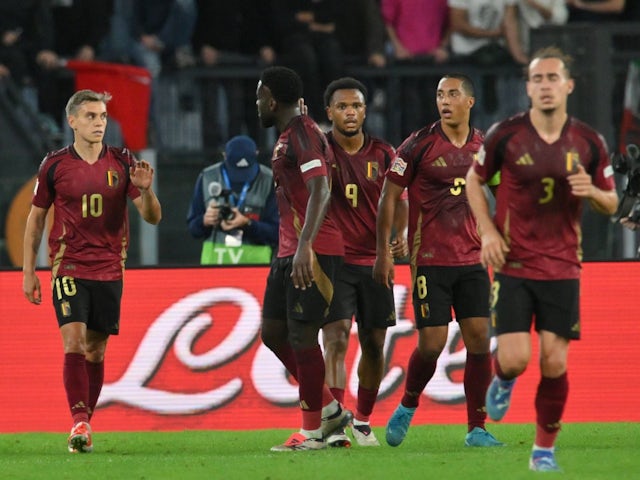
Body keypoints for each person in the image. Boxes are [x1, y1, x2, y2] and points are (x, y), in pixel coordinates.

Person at [465, 46, 618, 471]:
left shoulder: (588, 141)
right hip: (515, 265)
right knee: (516, 359)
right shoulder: (505, 135)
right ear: (528, 87)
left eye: (553, 78)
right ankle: (503, 377)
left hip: (564, 266)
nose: (545, 86)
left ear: (568, 85)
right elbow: (473, 182)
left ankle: (543, 450)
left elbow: (611, 201)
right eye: (538, 79)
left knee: (554, 362)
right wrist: (488, 232)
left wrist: (594, 193)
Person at [22, 89, 162, 453]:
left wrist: (146, 192)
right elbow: (36, 219)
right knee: (74, 342)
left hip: (110, 268)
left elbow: (153, 217)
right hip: (68, 266)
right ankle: (79, 421)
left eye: (101, 117)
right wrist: (28, 271)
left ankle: (85, 422)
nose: (99, 123)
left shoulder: (121, 161)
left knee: (96, 353)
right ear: (72, 121)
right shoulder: (54, 164)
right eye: (90, 116)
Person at [373, 74, 503, 449]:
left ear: (470, 102)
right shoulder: (418, 144)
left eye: (452, 94)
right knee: (432, 342)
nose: (444, 101)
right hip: (429, 256)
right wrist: (385, 249)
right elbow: (389, 196)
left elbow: (504, 194)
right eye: (440, 95)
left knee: (480, 338)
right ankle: (408, 404)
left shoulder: (485, 147)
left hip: (474, 257)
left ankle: (476, 428)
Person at [256, 66, 351, 451]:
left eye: (260, 97)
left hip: (313, 250)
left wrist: (306, 245)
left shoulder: (302, 133)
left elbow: (321, 189)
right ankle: (330, 410)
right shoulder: (290, 134)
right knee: (274, 333)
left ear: (273, 100)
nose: (257, 104)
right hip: (287, 250)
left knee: (301, 335)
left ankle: (312, 431)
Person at [320, 77, 408, 448]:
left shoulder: (385, 153)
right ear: (330, 112)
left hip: (375, 262)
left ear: (365, 110)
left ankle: (364, 420)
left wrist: (394, 240)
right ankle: (336, 423)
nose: (350, 112)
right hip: (335, 261)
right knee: (336, 336)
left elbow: (401, 201)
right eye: (342, 107)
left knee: (374, 343)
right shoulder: (321, 152)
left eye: (355, 106)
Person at [186, 135, 278, 265]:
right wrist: (205, 221)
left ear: (257, 154)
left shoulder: (269, 180)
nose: (242, 177)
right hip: (213, 268)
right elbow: (193, 229)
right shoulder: (207, 177)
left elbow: (278, 233)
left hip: (255, 269)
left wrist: (247, 224)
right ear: (224, 156)